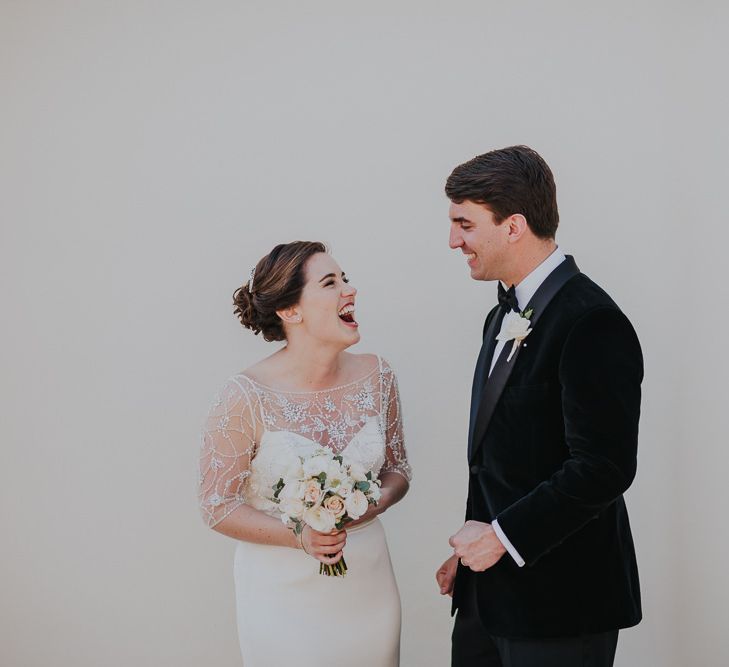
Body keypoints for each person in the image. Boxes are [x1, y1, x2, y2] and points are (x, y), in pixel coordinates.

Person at [435, 146, 642, 667]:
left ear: (513, 226)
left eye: (465, 223)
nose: (453, 240)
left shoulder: (591, 320)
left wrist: (501, 538)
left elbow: (603, 467)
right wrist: (472, 553)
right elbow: (502, 459)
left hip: (562, 606)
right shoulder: (499, 316)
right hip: (487, 598)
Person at [199, 241, 411, 666]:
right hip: (282, 595)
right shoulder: (245, 395)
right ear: (290, 311)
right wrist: (301, 534)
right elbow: (216, 504)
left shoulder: (378, 376)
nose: (348, 290)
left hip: (368, 583)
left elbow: (397, 469)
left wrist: (373, 502)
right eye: (330, 283)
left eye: (345, 279)